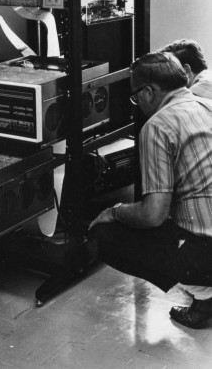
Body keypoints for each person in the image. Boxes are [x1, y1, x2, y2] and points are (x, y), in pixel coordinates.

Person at [87, 51, 212, 329]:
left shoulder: (158, 125)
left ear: (149, 91)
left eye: (135, 97)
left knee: (103, 236)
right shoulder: (208, 105)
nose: (137, 103)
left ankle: (206, 296)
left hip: (206, 252)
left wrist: (114, 211)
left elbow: (153, 215)